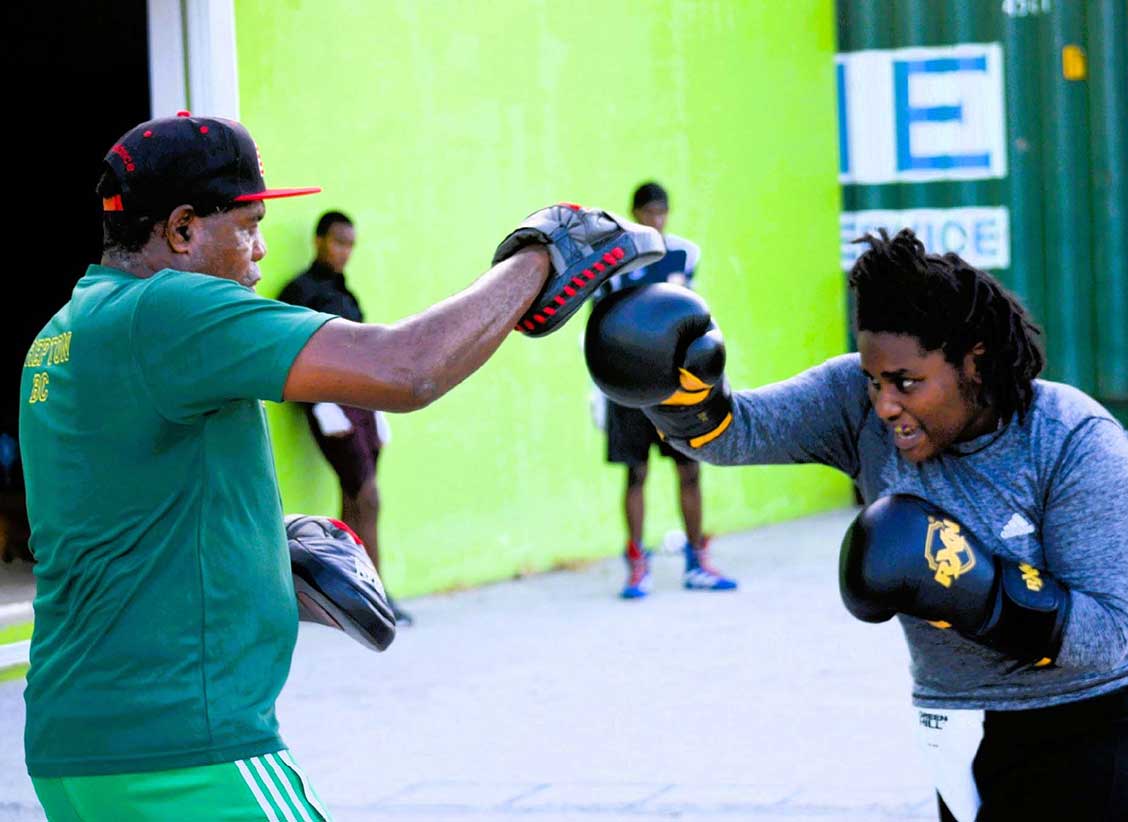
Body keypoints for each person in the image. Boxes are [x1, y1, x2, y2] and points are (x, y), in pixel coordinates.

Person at [18, 110, 663, 821]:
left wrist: (259, 548)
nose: (260, 252)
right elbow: (405, 369)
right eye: (247, 226)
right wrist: (541, 256)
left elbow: (117, 520)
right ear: (181, 230)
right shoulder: (171, 310)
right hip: (186, 747)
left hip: (71, 745)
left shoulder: (63, 334)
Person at [585, 228, 1128, 821]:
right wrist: (677, 392)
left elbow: (1106, 635)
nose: (885, 404)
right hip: (953, 730)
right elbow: (738, 433)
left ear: (975, 360)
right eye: (874, 380)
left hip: (1084, 736)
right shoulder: (857, 403)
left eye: (906, 383)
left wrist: (971, 586)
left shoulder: (1070, 438)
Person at [590, 181, 736, 599]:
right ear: (634, 213)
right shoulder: (613, 262)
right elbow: (598, 325)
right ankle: (637, 564)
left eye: (662, 212)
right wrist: (598, 387)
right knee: (635, 473)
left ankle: (697, 560)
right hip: (629, 385)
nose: (656, 220)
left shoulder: (684, 253)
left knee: (690, 468)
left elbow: (690, 317)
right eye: (649, 212)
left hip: (675, 386)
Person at [277, 211, 412, 626]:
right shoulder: (299, 291)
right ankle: (376, 595)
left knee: (358, 498)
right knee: (367, 494)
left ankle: (346, 593)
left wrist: (378, 406)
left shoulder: (346, 294)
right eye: (338, 242)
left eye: (350, 244)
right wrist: (319, 404)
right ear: (319, 241)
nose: (344, 252)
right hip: (329, 402)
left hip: (362, 402)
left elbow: (365, 352)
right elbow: (290, 352)